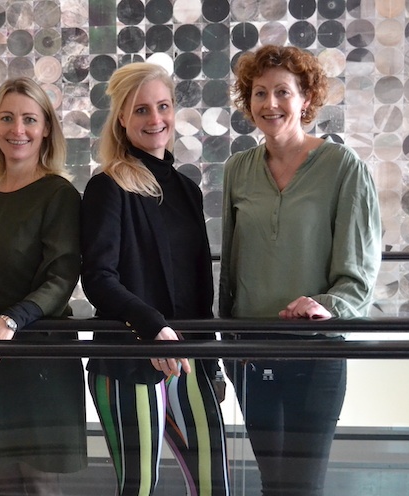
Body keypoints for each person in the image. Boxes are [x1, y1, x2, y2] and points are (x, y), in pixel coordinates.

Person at [221, 45, 382, 496]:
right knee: (272, 482)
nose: (270, 103)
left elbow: (359, 273)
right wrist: (226, 347)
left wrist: (326, 304)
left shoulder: (343, 167)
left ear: (306, 98)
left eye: (283, 92)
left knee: (303, 486)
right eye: (259, 93)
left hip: (315, 352)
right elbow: (230, 267)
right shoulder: (238, 170)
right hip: (252, 353)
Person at [80, 62, 230, 496]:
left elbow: (199, 286)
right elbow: (98, 278)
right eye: (141, 110)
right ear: (122, 119)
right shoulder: (108, 187)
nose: (155, 119)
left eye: (163, 106)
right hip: (128, 359)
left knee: (214, 483)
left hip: (189, 358)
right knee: (140, 487)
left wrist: (213, 363)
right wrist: (153, 327)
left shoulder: (187, 189)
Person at [0, 77, 87, 495]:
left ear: (46, 130)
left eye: (29, 119)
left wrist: (10, 320)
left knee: (39, 480)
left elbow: (61, 276)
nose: (17, 129)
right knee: (3, 477)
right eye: (7, 118)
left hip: (38, 355)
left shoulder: (59, 194)